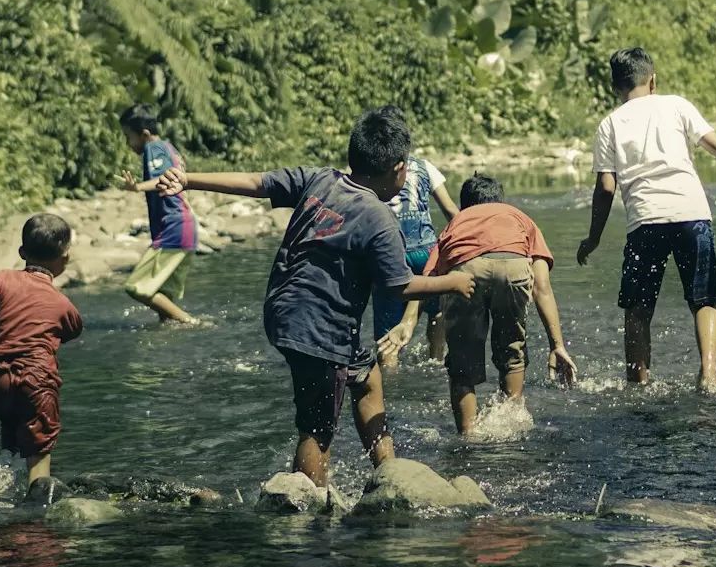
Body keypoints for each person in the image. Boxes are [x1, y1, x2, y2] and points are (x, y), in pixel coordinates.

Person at [153, 107, 476, 487]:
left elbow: (256, 182)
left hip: (286, 309)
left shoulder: (319, 179)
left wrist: (189, 180)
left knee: (367, 377)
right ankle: (307, 511)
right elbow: (398, 286)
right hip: (317, 327)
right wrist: (452, 282)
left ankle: (389, 475)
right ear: (399, 170)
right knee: (317, 427)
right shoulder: (378, 217)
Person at [576, 47, 716, 390]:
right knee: (704, 301)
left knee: (637, 308)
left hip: (645, 222)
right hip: (691, 215)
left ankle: (638, 384)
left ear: (616, 87)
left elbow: (606, 188)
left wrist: (593, 238)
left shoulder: (609, 125)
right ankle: (709, 375)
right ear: (653, 80)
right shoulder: (677, 105)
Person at [379, 174, 577, 436]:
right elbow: (542, 287)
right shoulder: (519, 217)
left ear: (465, 205)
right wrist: (557, 345)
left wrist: (408, 321)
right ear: (500, 200)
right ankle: (512, 427)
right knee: (512, 353)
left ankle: (468, 438)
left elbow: (431, 276)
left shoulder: (458, 222)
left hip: (466, 270)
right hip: (514, 265)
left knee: (462, 362)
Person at [0, 214, 83, 485]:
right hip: (38, 380)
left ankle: (0, 492)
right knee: (39, 448)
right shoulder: (63, 304)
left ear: (22, 252)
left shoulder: (2, 279)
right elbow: (72, 331)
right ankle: (36, 505)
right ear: (65, 258)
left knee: (10, 436)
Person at [371, 106, 460, 366]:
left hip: (390, 255)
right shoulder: (424, 167)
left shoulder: (375, 169)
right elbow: (451, 210)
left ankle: (390, 377)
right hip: (427, 254)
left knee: (388, 332)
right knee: (437, 312)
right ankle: (435, 359)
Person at [118, 103, 202, 325]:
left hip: (173, 228)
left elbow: (163, 179)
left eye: (128, 137)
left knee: (137, 287)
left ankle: (192, 323)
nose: (128, 143)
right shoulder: (169, 148)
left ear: (144, 134)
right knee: (164, 304)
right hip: (185, 228)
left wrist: (136, 187)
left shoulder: (153, 149)